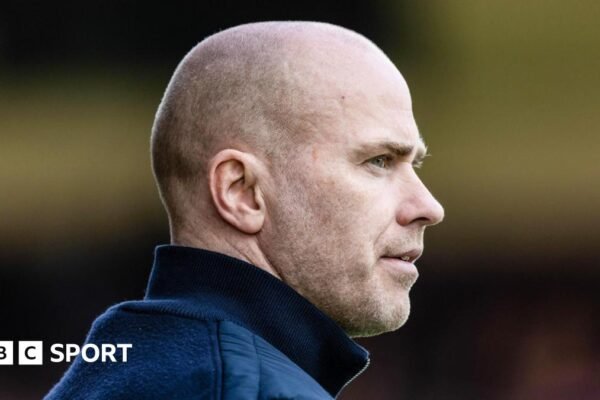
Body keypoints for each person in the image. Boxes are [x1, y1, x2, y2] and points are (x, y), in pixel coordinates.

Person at [45, 21, 444, 399]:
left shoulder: (114, 371)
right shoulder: (250, 389)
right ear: (242, 192)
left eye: (415, 165)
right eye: (379, 161)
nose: (428, 207)